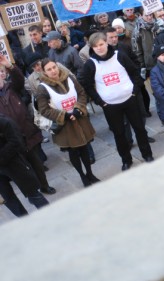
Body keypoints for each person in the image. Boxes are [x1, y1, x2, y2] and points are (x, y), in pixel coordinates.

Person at [79, 32, 154, 171]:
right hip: (110, 105)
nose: (99, 48)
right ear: (92, 48)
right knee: (119, 134)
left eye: (101, 44)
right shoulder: (91, 64)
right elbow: (85, 84)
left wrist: (135, 91)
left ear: (106, 43)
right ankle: (126, 160)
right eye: (95, 46)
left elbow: (134, 72)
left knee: (139, 128)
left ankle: (147, 154)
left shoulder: (120, 55)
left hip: (129, 100)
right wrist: (99, 101)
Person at [36, 58, 100, 187]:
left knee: (85, 148)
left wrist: (78, 108)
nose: (53, 71)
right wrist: (64, 115)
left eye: (54, 67)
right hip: (64, 125)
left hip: (79, 118)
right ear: (44, 72)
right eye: (49, 69)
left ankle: (89, 173)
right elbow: (44, 109)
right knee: (74, 152)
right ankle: (82, 176)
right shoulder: (42, 88)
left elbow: (81, 92)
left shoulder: (69, 78)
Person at [0, 53, 55, 195]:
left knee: (37, 163)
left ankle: (44, 185)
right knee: (23, 168)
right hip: (10, 139)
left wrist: (10, 66)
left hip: (27, 132)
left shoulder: (11, 87)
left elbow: (19, 79)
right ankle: (33, 190)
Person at [0, 115, 49, 218]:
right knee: (8, 199)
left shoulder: (4, 121)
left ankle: (50, 217)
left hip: (14, 164)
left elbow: (16, 142)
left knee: (33, 194)